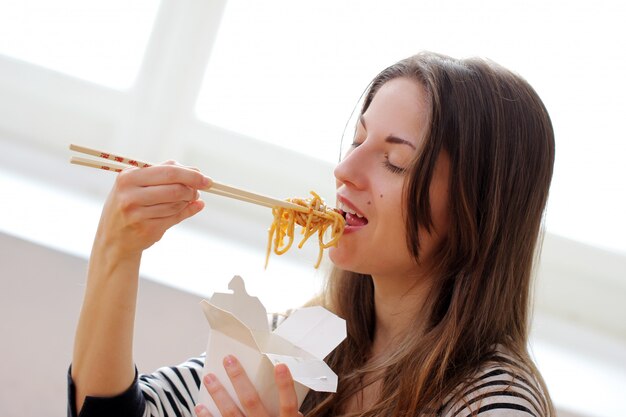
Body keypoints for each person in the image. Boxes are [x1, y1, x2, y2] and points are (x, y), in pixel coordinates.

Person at [68, 51, 555, 417]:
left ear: (477, 210)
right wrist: (116, 252)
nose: (345, 170)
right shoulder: (296, 342)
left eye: (395, 161)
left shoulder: (495, 403)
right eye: (357, 140)